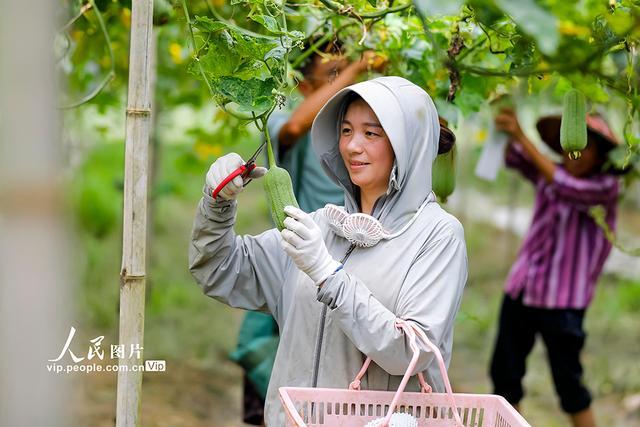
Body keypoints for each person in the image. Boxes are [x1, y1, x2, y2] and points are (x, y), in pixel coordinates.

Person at [189, 76, 468, 425]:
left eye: (372, 133)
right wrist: (216, 206)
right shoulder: (320, 226)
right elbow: (218, 270)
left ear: (407, 145)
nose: (352, 146)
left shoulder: (437, 235)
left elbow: (410, 352)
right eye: (347, 131)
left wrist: (329, 275)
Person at [230, 44, 387, 425]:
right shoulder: (282, 119)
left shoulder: (358, 136)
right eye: (333, 73)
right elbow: (299, 126)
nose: (344, 79)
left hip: (351, 256)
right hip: (296, 253)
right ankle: (288, 406)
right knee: (257, 345)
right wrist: (357, 68)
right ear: (304, 85)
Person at [490, 109, 628, 427]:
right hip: (521, 290)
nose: (574, 153)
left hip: (563, 303)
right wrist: (503, 128)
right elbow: (514, 158)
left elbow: (566, 186)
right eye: (569, 146)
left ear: (601, 154)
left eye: (585, 147)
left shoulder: (605, 187)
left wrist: (521, 134)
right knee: (504, 377)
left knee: (569, 385)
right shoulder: (548, 172)